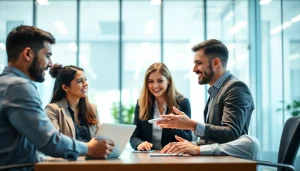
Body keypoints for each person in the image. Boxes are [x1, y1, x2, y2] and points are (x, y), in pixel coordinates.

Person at [0, 25, 113, 167]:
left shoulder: (6, 84)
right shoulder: (18, 86)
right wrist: (89, 148)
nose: (50, 64)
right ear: (28, 54)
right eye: (47, 56)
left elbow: (20, 148)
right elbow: (48, 141)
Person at [157, 39, 254, 146]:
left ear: (216, 63)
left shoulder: (236, 88)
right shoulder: (216, 91)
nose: (194, 69)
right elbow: (212, 140)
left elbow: (231, 134)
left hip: (230, 161)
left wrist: (192, 125)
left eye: (198, 63)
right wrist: (190, 145)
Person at [130, 63, 192, 151]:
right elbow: (135, 136)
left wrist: (173, 126)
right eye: (151, 81)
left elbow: (189, 138)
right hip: (148, 158)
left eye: (160, 81)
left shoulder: (182, 103)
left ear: (168, 81)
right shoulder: (141, 103)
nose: (155, 86)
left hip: (173, 157)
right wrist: (139, 144)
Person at [45, 64, 100, 142]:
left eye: (85, 80)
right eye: (80, 81)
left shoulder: (92, 109)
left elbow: (99, 139)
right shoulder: (52, 110)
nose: (86, 84)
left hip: (93, 154)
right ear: (65, 87)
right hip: (67, 154)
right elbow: (54, 143)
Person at [160, 134, 260, 160]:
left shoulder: (247, 141)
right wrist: (193, 145)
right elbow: (210, 141)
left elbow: (252, 143)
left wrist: (199, 150)